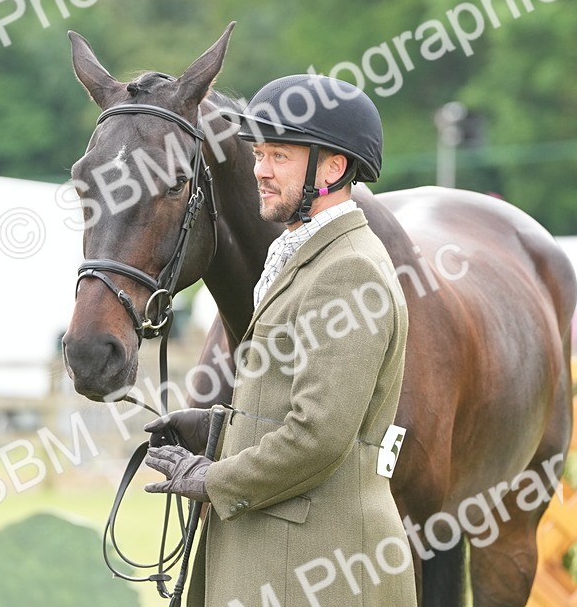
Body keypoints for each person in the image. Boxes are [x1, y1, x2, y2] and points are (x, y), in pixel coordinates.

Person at [143, 74, 417, 605]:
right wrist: (217, 428)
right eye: (259, 154)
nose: (260, 172)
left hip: (317, 565)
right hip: (280, 555)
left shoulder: (349, 270)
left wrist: (212, 480)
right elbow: (288, 399)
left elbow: (319, 435)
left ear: (333, 168)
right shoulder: (300, 255)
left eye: (279, 157)